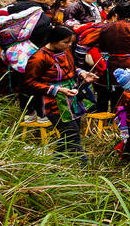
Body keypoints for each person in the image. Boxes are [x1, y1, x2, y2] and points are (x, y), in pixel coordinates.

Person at [21, 24, 96, 159]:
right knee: (72, 134)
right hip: (53, 102)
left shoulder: (66, 51)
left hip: (72, 98)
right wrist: (58, 89)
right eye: (65, 42)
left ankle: (54, 161)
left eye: (71, 42)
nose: (69, 45)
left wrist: (82, 73)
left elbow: (72, 69)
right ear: (53, 40)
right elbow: (30, 82)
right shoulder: (39, 58)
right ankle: (84, 166)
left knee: (70, 135)